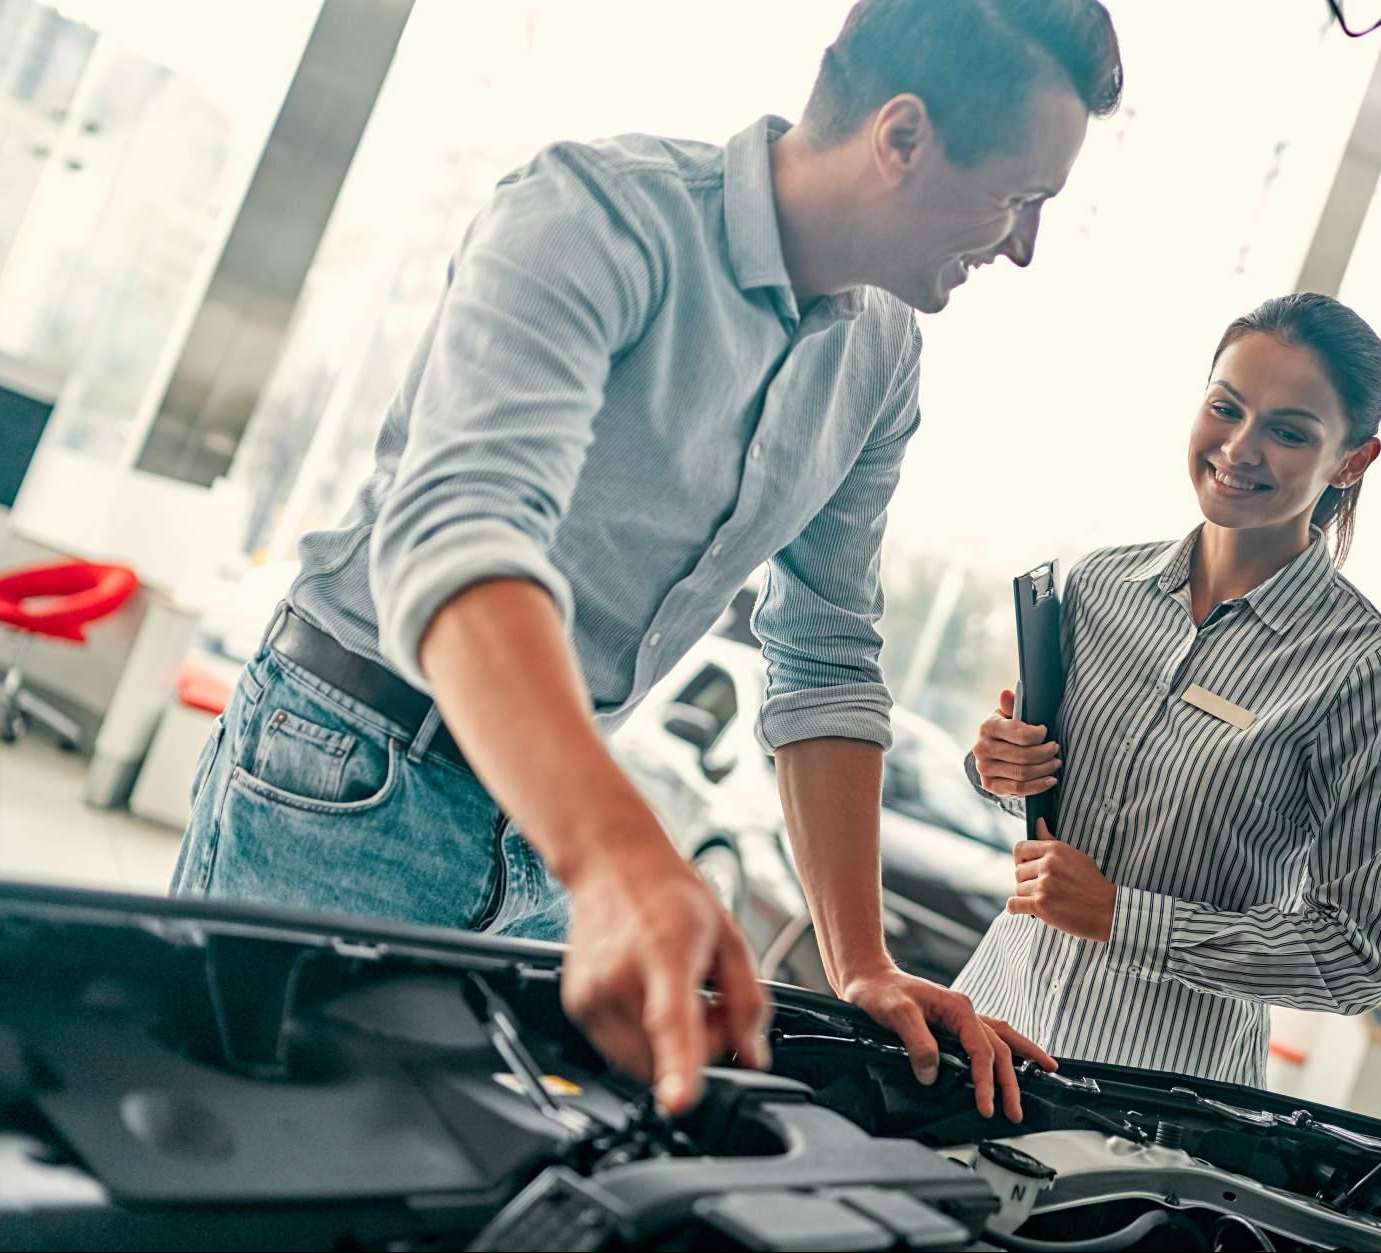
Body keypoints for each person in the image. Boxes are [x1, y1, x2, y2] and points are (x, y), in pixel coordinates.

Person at [171, 0, 1124, 1120]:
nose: (1020, 246)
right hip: (348, 774)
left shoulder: (880, 360)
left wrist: (858, 957)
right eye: (1019, 198)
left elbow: (823, 655)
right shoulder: (593, 214)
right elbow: (461, 531)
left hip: (546, 829)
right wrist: (619, 857)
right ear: (901, 137)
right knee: (226, 1160)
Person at [960, 293, 1381, 1088]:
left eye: (1289, 431)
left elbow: (1358, 957)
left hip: (1156, 1107)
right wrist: (997, 767)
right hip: (989, 1032)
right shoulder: (1099, 586)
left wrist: (1124, 917)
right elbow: (1041, 800)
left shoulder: (1366, 672)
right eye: (1226, 407)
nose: (1239, 448)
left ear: (1351, 461)